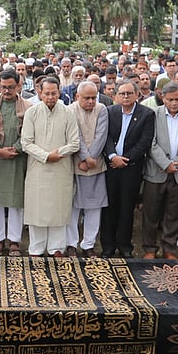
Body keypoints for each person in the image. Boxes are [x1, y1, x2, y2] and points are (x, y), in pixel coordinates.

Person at [21, 76, 80, 257]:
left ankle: (56, 248)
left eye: (54, 93)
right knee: (37, 211)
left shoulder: (68, 112)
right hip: (37, 168)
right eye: (46, 93)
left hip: (61, 169)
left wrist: (58, 153)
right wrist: (46, 156)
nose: (50, 97)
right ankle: (36, 249)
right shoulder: (32, 112)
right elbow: (26, 143)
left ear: (59, 91)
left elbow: (75, 143)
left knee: (59, 211)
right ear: (39, 92)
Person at [140, 83, 178, 260]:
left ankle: (169, 249)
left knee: (174, 214)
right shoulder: (153, 114)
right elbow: (150, 142)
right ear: (162, 98)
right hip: (156, 171)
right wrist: (165, 163)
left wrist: (177, 163)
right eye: (170, 100)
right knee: (151, 212)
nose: (174, 103)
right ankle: (150, 248)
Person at [100, 79, 155, 257]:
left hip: (131, 168)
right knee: (109, 208)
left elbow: (144, 142)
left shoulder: (147, 114)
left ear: (137, 94)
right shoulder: (109, 112)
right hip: (111, 166)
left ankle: (125, 246)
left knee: (126, 209)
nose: (125, 96)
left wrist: (125, 159)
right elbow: (105, 137)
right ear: (115, 96)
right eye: (122, 93)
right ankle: (108, 247)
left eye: (129, 93)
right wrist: (112, 156)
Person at [0, 70, 32, 256]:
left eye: (10, 87)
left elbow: (29, 134)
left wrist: (16, 149)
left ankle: (14, 241)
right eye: (2, 87)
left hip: (17, 160)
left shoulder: (27, 107)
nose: (6, 91)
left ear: (18, 86)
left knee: (15, 201)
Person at [67, 81, 108, 257]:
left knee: (94, 207)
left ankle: (89, 244)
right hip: (76, 164)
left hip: (96, 166)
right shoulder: (70, 110)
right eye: (87, 98)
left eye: (94, 97)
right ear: (78, 97)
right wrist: (85, 158)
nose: (91, 101)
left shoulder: (102, 109)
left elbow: (102, 135)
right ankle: (71, 243)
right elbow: (75, 137)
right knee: (73, 207)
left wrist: (91, 159)